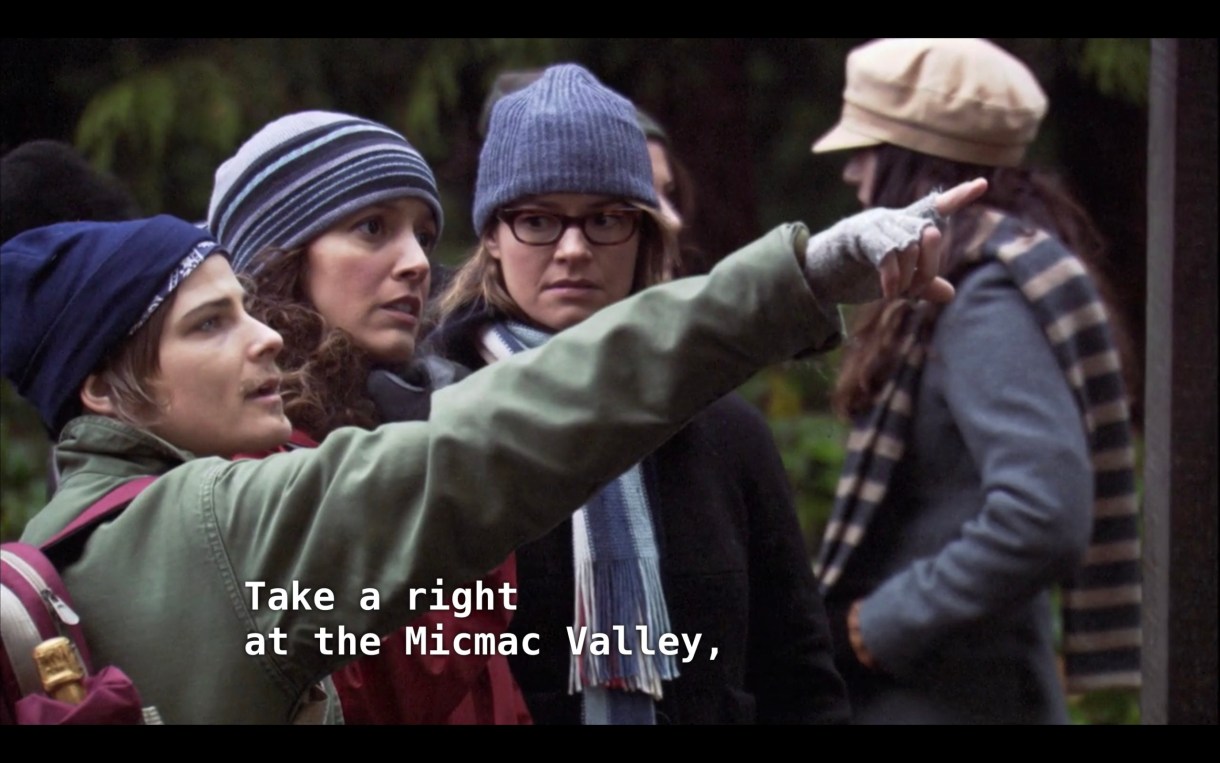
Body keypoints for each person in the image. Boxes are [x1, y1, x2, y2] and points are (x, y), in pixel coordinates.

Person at [429, 63, 963, 725]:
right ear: (492, 235)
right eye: (537, 220)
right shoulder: (433, 418)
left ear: (645, 233)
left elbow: (797, 673)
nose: (572, 249)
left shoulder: (725, 432)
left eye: (605, 220)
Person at [810, 38, 1141, 723]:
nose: (853, 178)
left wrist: (882, 624)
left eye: (866, 152)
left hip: (957, 697)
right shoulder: (989, 269)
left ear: (910, 164)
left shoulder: (985, 295)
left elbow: (1045, 513)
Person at [207, 110, 526, 723]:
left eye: (424, 236)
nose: (416, 264)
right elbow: (381, 694)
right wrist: (473, 488)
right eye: (374, 227)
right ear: (281, 257)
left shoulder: (408, 417)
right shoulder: (252, 465)